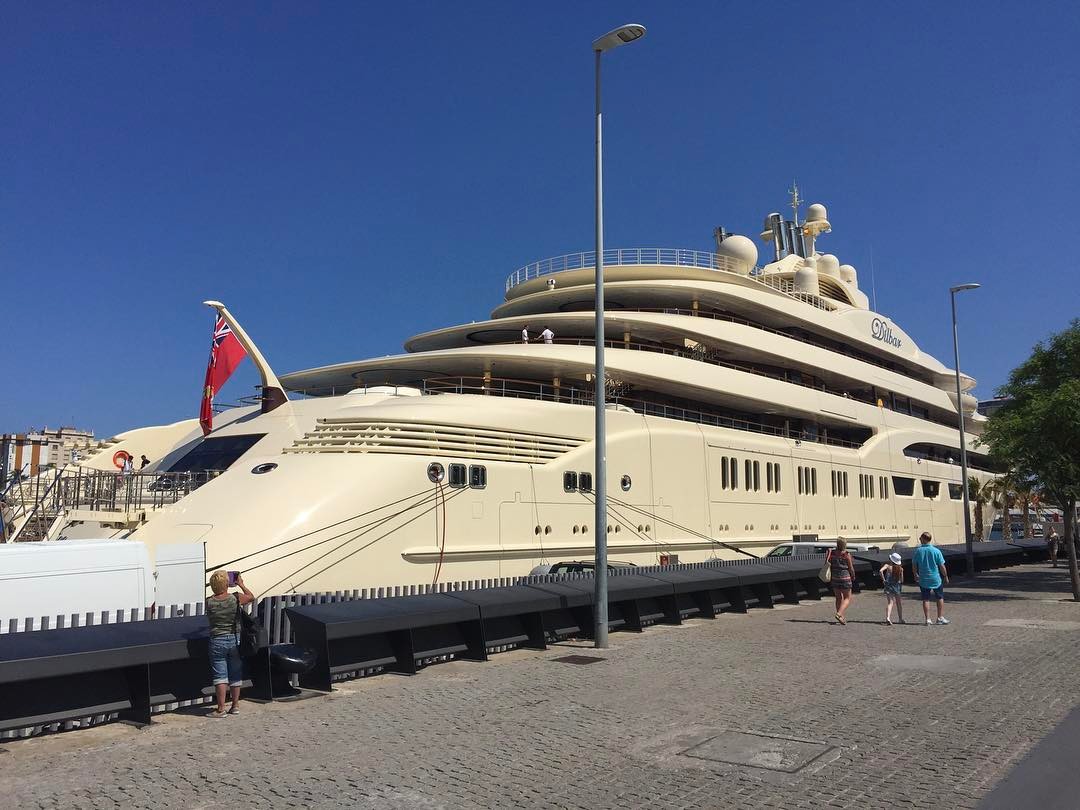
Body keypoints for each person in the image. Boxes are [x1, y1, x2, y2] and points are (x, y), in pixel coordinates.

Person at [205, 569, 255, 717]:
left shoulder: (209, 602)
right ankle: (235, 705)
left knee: (220, 675)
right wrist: (240, 584)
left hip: (217, 640)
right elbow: (251, 597)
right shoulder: (235, 598)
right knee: (235, 673)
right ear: (227, 583)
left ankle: (221, 709)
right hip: (234, 639)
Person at [912, 531, 950, 625]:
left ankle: (928, 619)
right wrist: (945, 576)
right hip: (935, 578)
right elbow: (941, 565)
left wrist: (915, 574)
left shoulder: (918, 551)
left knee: (926, 599)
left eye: (920, 538)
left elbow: (914, 564)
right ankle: (940, 617)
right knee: (940, 597)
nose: (919, 540)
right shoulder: (936, 551)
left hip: (923, 578)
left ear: (924, 539)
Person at [826, 537, 856, 625]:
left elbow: (827, 563)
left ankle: (841, 617)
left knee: (838, 598)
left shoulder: (832, 553)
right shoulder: (846, 554)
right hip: (845, 578)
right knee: (847, 598)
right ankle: (839, 614)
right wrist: (853, 576)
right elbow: (851, 568)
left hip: (835, 578)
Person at [879, 552, 905, 625]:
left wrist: (884, 580)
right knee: (899, 603)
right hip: (897, 586)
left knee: (890, 603)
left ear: (891, 560)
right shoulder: (900, 568)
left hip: (889, 586)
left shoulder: (887, 566)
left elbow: (880, 571)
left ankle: (888, 617)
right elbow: (902, 580)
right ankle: (900, 619)